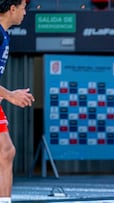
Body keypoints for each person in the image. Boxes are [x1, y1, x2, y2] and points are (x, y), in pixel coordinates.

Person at [0, 1, 35, 202]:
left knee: (6, 151)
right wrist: (10, 95)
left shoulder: (4, 34)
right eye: (23, 7)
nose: (24, 12)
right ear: (12, 8)